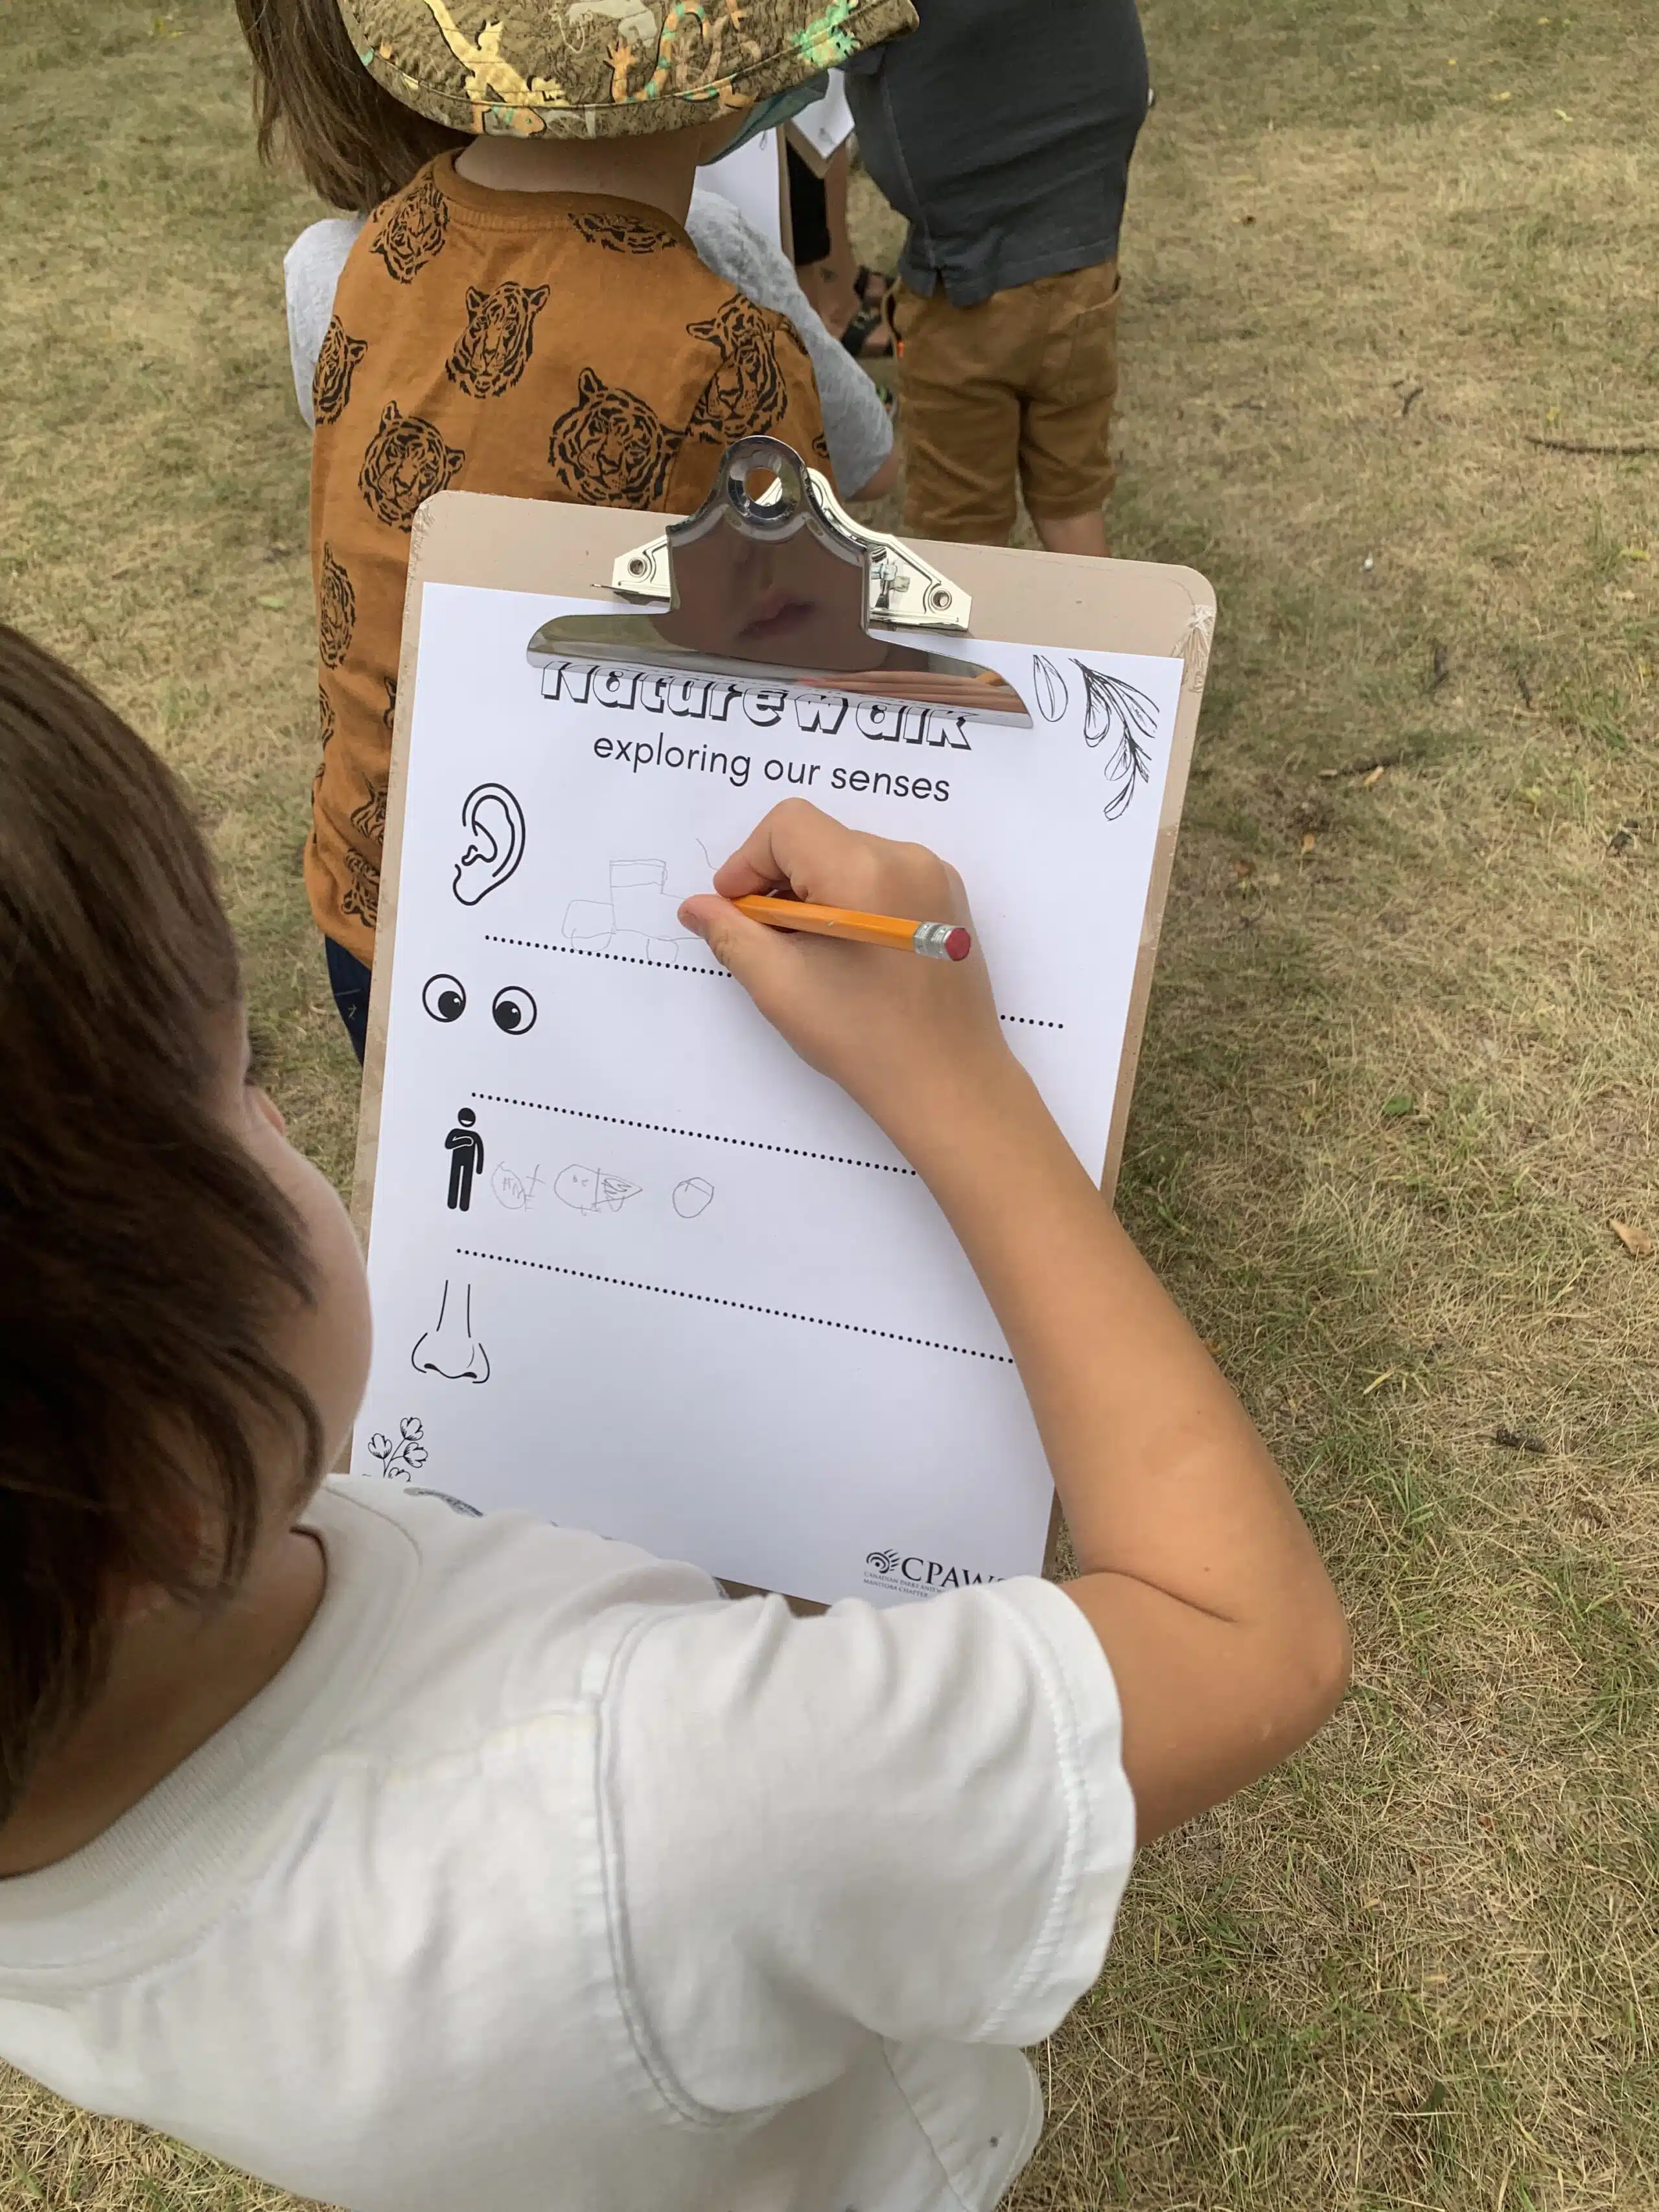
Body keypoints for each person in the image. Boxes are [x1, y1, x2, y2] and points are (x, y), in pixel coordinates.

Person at [0, 620, 1350, 2212]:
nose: (288, 1112)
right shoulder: (677, 1801)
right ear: (161, 1497)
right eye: (235, 1086)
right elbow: (1244, 1631)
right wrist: (955, 1079)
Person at [234, 0, 914, 1064]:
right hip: (581, 938)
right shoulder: (724, 344)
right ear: (725, 83)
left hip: (376, 903)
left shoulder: (384, 247)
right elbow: (802, 675)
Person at [844, 0, 1150, 552]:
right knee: (1072, 497)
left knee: (963, 537)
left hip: (962, 295)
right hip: (1083, 262)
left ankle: (979, 642)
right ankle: (1100, 635)